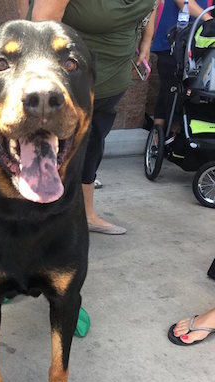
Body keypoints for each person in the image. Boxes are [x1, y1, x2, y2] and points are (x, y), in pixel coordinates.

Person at [18, 0, 158, 235]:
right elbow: (41, 25)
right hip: (69, 86)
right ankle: (39, 221)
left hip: (112, 81)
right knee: (49, 149)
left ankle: (85, 214)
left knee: (92, 147)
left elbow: (151, 4)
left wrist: (147, 39)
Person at [151, 0, 212, 133]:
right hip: (176, 38)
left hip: (200, 41)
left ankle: (158, 133)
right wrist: (209, 19)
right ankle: (170, 134)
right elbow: (183, 1)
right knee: (173, 89)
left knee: (172, 89)